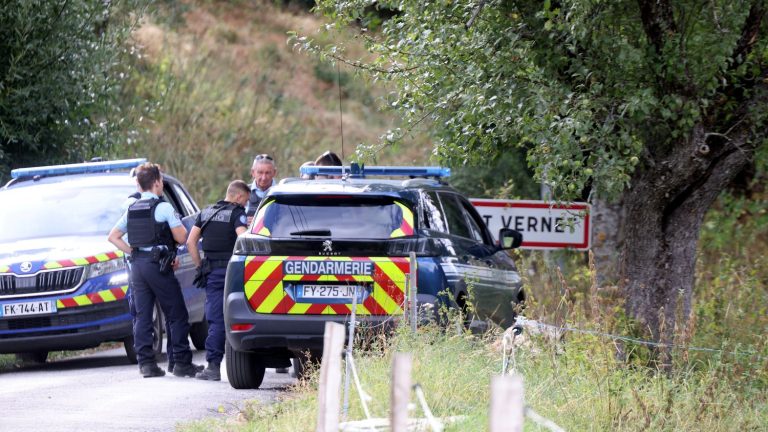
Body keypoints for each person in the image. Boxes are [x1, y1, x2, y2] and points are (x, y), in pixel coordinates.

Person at [108, 162, 201, 378]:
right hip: (158, 267)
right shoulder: (163, 207)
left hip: (138, 267)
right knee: (176, 313)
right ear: (158, 182)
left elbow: (113, 236)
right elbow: (181, 237)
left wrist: (132, 253)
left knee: (142, 315)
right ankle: (181, 362)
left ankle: (147, 364)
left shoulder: (131, 208)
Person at [186, 180, 250, 381]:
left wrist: (199, 266)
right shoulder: (237, 213)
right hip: (233, 272)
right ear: (238, 197)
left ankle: (213, 367)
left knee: (215, 318)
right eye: (245, 201)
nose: (245, 205)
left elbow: (190, 242)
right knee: (241, 315)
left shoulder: (205, 212)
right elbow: (243, 239)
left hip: (212, 272)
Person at [246, 154, 277, 223]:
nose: (264, 178)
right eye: (260, 172)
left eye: (268, 173)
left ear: (274, 173)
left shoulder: (283, 193)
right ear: (253, 172)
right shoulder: (243, 192)